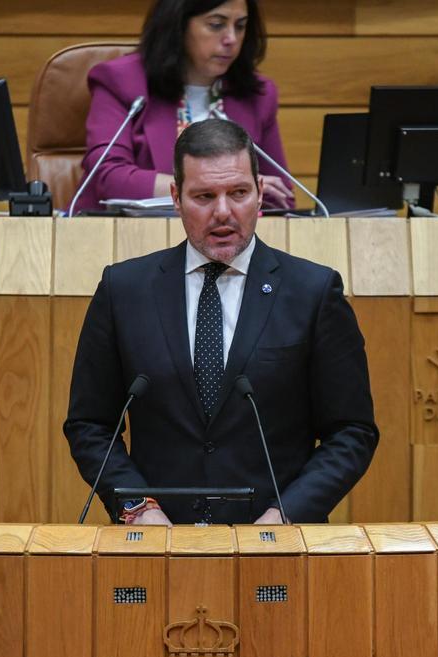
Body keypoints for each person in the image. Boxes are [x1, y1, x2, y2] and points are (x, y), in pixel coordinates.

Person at [64, 119, 376, 525]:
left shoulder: (313, 292)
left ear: (261, 193)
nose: (223, 212)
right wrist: (136, 506)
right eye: (204, 196)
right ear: (176, 197)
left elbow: (351, 431)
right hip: (156, 544)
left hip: (274, 546)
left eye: (239, 193)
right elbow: (90, 424)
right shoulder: (124, 289)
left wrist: (286, 514)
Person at [72, 0, 295, 214]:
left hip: (226, 243)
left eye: (240, 26)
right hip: (127, 237)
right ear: (178, 25)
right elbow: (108, 177)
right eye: (216, 25)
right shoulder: (122, 81)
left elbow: (280, 197)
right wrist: (217, 189)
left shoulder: (256, 95)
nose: (231, 39)